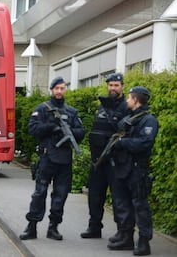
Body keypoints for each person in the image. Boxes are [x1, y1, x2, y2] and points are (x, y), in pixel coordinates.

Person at [19, 76, 85, 241]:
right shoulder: (42, 109)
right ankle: (32, 226)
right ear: (51, 90)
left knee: (61, 195)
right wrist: (51, 128)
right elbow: (33, 128)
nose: (59, 91)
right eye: (57, 88)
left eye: (62, 88)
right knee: (39, 194)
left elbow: (80, 133)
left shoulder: (71, 112)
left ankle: (53, 227)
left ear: (65, 90)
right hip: (47, 157)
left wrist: (69, 130)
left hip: (64, 160)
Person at [107, 86, 158, 256]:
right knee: (123, 204)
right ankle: (126, 237)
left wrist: (123, 143)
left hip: (137, 169)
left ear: (135, 100)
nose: (127, 100)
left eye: (129, 98)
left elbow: (144, 143)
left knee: (140, 206)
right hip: (123, 167)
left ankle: (144, 242)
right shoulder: (129, 118)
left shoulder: (148, 120)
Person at [81, 73, 130, 239]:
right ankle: (94, 227)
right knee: (95, 196)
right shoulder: (102, 106)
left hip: (115, 160)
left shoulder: (126, 107)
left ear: (122, 86)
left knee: (118, 197)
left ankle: (121, 231)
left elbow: (126, 133)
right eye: (110, 85)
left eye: (116, 85)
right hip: (98, 160)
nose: (113, 88)